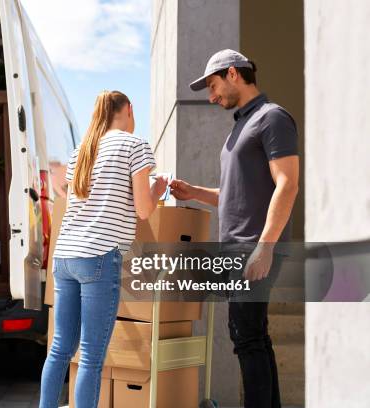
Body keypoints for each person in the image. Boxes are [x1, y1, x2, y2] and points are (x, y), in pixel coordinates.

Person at [171, 49, 299, 408]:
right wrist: (194, 192)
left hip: (253, 250)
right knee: (254, 338)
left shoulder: (271, 118)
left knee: (245, 337)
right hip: (236, 250)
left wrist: (265, 246)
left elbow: (288, 183)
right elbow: (233, 195)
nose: (211, 97)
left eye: (212, 86)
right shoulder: (241, 127)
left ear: (232, 74)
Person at [39, 90, 167, 408]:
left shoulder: (81, 150)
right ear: (129, 109)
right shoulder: (134, 145)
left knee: (60, 348)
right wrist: (158, 188)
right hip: (98, 256)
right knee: (92, 357)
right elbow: (143, 209)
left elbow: (75, 202)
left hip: (65, 256)